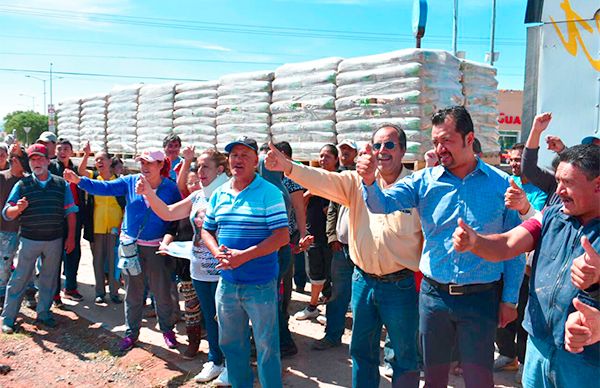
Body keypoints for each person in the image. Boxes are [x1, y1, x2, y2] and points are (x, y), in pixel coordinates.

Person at [357, 106, 525, 387]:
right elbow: (380, 204)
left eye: (446, 140)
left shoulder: (501, 185)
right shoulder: (423, 182)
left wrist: (509, 299)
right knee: (433, 379)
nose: (439, 148)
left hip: (481, 299)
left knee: (479, 379)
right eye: (435, 142)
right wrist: (369, 180)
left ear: (469, 139)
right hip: (434, 299)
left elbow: (514, 247)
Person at [265, 124, 423, 387]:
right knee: (362, 351)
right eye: (377, 146)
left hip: (401, 285)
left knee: (405, 357)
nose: (382, 151)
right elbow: (321, 179)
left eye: (390, 145)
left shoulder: (417, 186)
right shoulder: (354, 182)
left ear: (403, 151)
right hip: (363, 282)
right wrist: (289, 166)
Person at [452, 143, 600, 387]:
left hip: (587, 363)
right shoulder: (552, 215)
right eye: (558, 181)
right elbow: (508, 243)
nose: (559, 190)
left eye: (568, 183)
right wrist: (475, 242)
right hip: (539, 348)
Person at [63, 148, 181, 352]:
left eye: (149, 163)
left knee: (162, 293)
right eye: (142, 163)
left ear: (161, 165)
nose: (144, 167)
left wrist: (169, 241)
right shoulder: (130, 182)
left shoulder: (170, 188)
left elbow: (176, 219)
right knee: (133, 294)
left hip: (157, 249)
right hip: (131, 248)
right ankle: (131, 334)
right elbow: (104, 188)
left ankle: (167, 331)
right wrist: (78, 180)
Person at [201, 136, 289, 387]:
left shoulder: (269, 193)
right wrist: (216, 251)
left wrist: (244, 257)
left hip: (260, 285)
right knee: (231, 345)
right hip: (227, 284)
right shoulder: (219, 193)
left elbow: (281, 236)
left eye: (244, 155)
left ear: (256, 161)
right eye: (234, 155)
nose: (238, 160)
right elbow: (207, 230)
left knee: (266, 347)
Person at [142, 147, 230, 382]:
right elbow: (169, 213)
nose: (199, 171)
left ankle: (232, 362)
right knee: (209, 318)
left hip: (224, 270)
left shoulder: (230, 193)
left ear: (220, 170)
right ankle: (215, 360)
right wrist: (150, 194)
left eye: (205, 166)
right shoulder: (197, 196)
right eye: (198, 166)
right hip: (200, 269)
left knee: (228, 318)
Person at [1, 144, 77, 333]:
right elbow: (6, 213)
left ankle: (43, 314)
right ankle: (8, 318)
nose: (37, 162)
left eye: (40, 158)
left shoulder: (61, 184)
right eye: (33, 159)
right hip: (29, 240)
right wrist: (17, 208)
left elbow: (71, 213)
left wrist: (71, 237)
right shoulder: (22, 185)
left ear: (47, 161)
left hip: (54, 240)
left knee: (49, 279)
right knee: (19, 278)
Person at [494, 143, 548, 377]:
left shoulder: (540, 190)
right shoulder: (503, 184)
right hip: (504, 262)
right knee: (501, 311)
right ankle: (507, 354)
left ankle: (524, 361)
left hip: (527, 267)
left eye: (520, 159)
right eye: (513, 159)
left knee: (524, 313)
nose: (515, 163)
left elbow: (534, 223)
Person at [315, 139, 358, 339]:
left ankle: (361, 343)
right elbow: (333, 210)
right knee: (337, 294)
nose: (344, 154)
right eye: (342, 151)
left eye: (348, 151)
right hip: (341, 248)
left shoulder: (366, 178)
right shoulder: (341, 179)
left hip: (361, 249)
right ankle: (332, 335)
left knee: (361, 298)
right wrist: (332, 236)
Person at [294, 144, 339, 321]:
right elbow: (301, 205)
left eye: (327, 156)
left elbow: (333, 210)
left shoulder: (339, 180)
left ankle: (329, 307)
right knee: (314, 272)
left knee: (331, 274)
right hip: (313, 234)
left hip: (331, 237)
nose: (322, 160)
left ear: (336, 159)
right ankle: (313, 306)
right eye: (321, 156)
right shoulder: (313, 180)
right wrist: (311, 193)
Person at [77, 142, 124, 304]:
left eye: (102, 159)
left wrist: (121, 225)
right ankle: (99, 292)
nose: (99, 162)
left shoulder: (118, 181)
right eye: (96, 160)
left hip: (114, 227)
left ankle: (114, 292)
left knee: (113, 261)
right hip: (96, 226)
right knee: (97, 259)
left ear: (110, 161)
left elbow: (124, 205)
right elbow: (81, 171)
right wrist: (86, 154)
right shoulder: (93, 178)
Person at [49, 138, 84, 304]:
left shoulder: (75, 170)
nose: (62, 152)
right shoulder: (51, 168)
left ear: (71, 152)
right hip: (57, 219)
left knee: (73, 252)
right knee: (56, 256)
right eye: (59, 149)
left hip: (75, 218)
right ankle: (54, 293)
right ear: (56, 152)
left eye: (66, 149)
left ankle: (70, 287)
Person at [0, 144, 29, 310]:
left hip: (25, 230)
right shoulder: (2, 177)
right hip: (5, 229)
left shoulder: (28, 180)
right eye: (15, 158)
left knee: (26, 267)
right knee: (3, 266)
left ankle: (28, 294)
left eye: (19, 159)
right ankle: (2, 296)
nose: (15, 161)